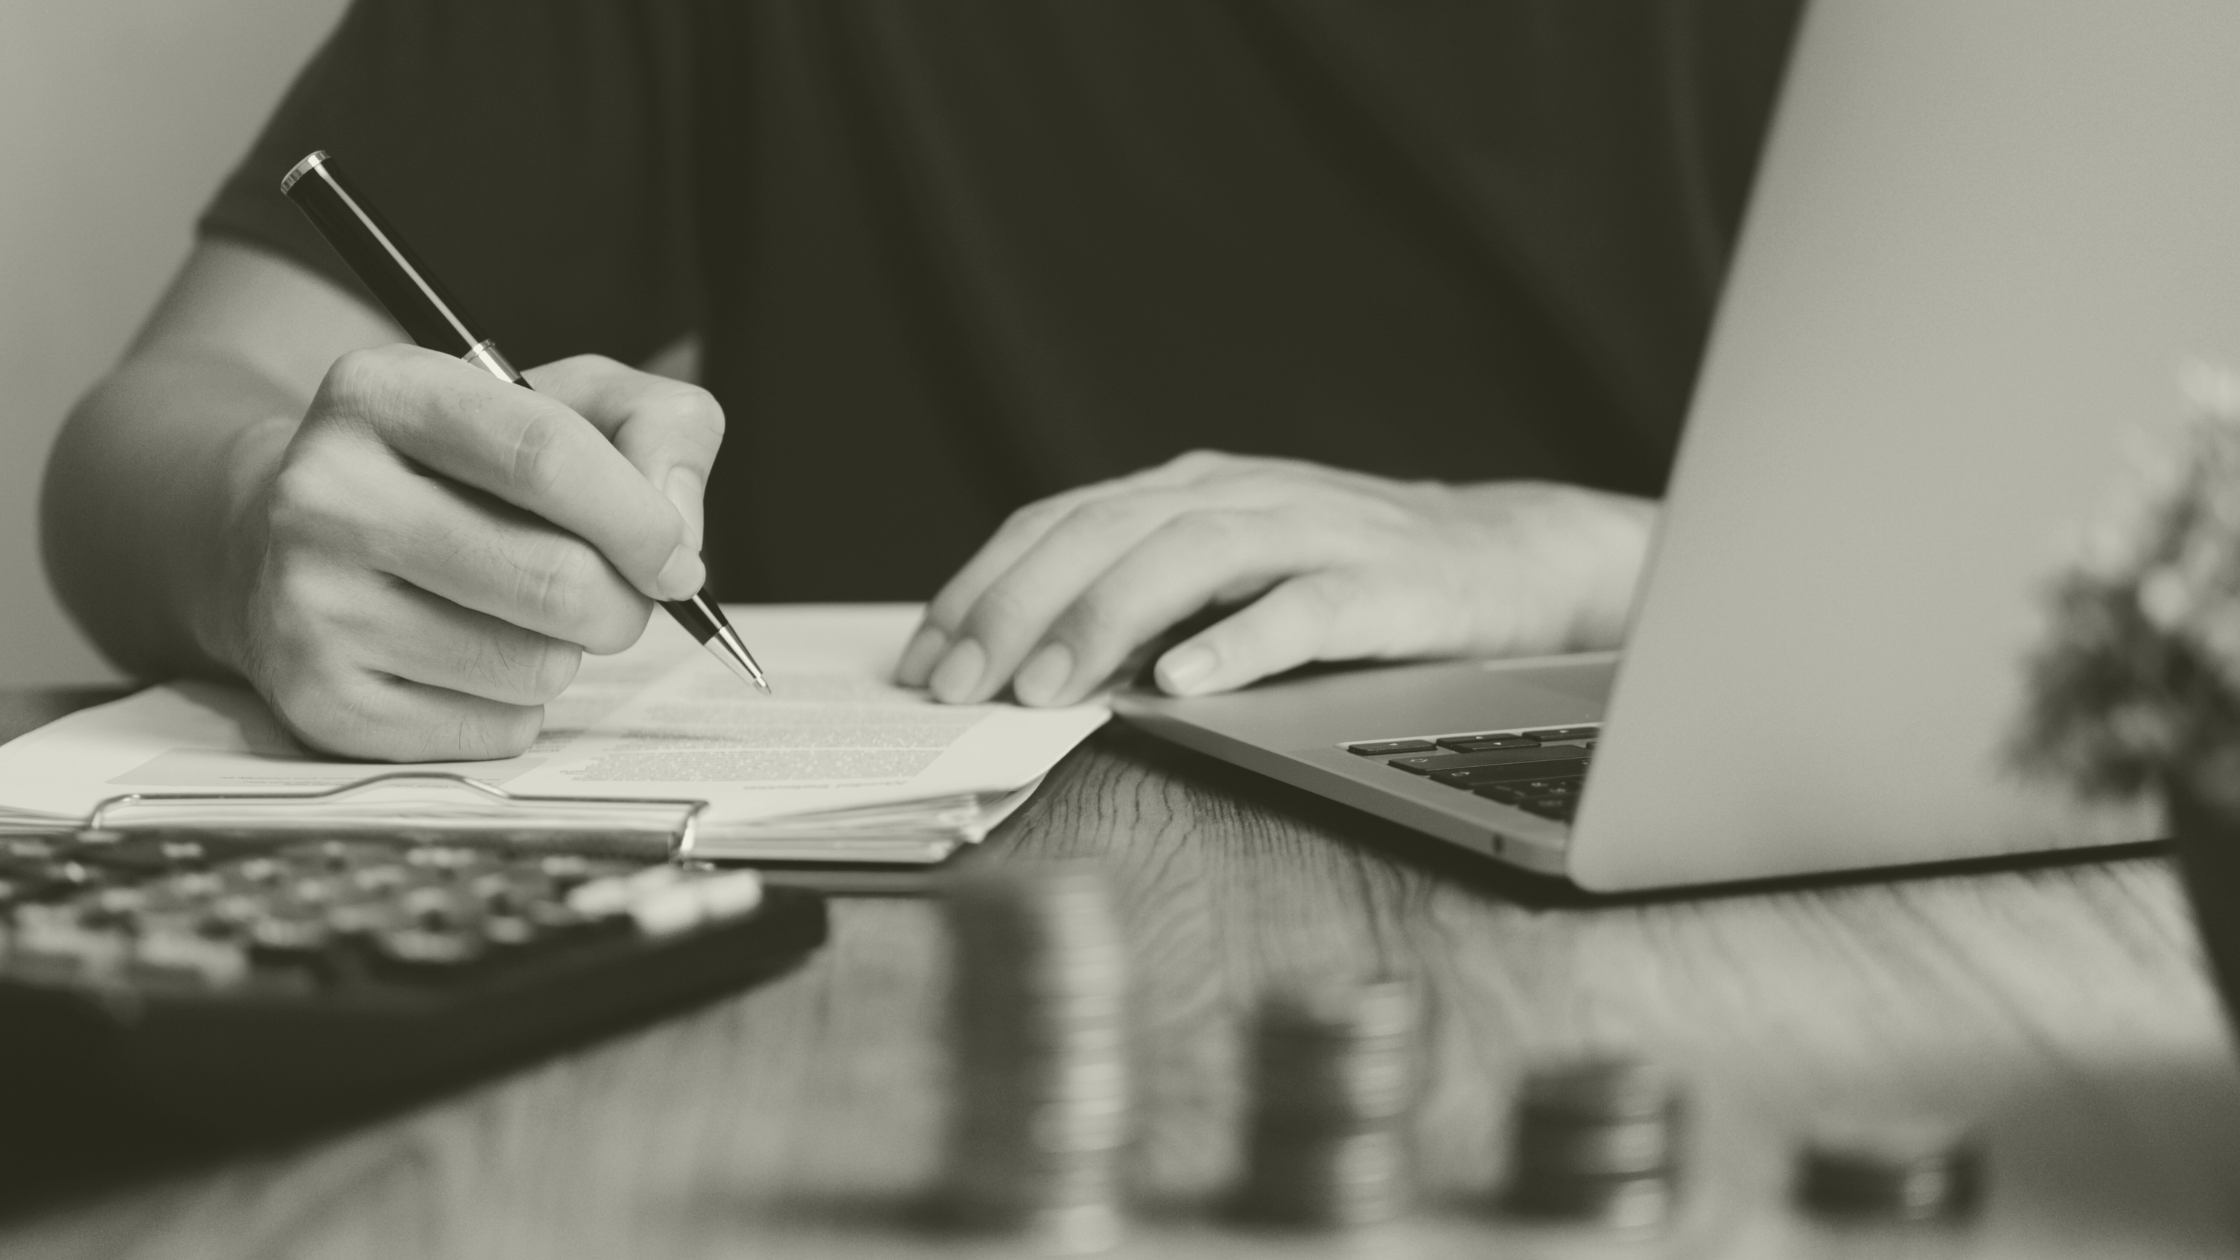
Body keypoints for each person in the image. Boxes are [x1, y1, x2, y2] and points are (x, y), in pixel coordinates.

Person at [40, 1, 1801, 761]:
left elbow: (2067, 559)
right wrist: (258, 528)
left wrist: (1604, 561)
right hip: (827, 935)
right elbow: (153, 429)